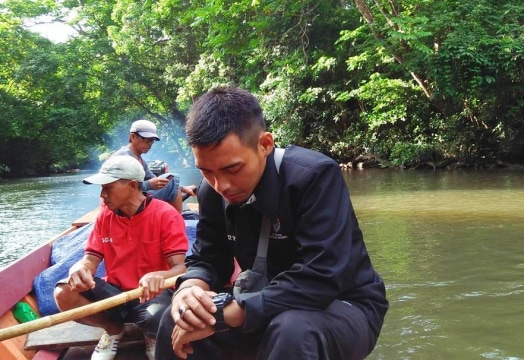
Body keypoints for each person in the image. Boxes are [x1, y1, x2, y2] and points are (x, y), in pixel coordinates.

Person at [155, 86, 388, 359]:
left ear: (265, 145)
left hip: (343, 304)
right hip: (263, 300)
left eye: (233, 168)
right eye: (207, 171)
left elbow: (323, 276)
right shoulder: (211, 191)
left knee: (292, 330)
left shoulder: (313, 176)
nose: (222, 185)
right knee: (175, 319)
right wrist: (189, 289)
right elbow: (208, 258)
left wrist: (226, 314)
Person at [53, 155, 189, 360]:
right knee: (64, 292)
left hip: (151, 296)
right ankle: (113, 329)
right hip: (115, 294)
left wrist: (159, 276)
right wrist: (78, 268)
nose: (102, 195)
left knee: (158, 316)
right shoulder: (105, 217)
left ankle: (151, 334)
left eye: (108, 188)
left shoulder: (166, 215)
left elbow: (181, 269)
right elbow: (90, 259)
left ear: (133, 186)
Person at [112, 119, 197, 213]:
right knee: (173, 180)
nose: (149, 144)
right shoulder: (123, 156)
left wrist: (183, 188)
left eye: (152, 141)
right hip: (121, 205)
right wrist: (148, 185)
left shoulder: (140, 160)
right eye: (146, 140)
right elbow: (120, 189)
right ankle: (177, 221)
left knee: (171, 181)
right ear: (133, 137)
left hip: (133, 200)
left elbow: (156, 181)